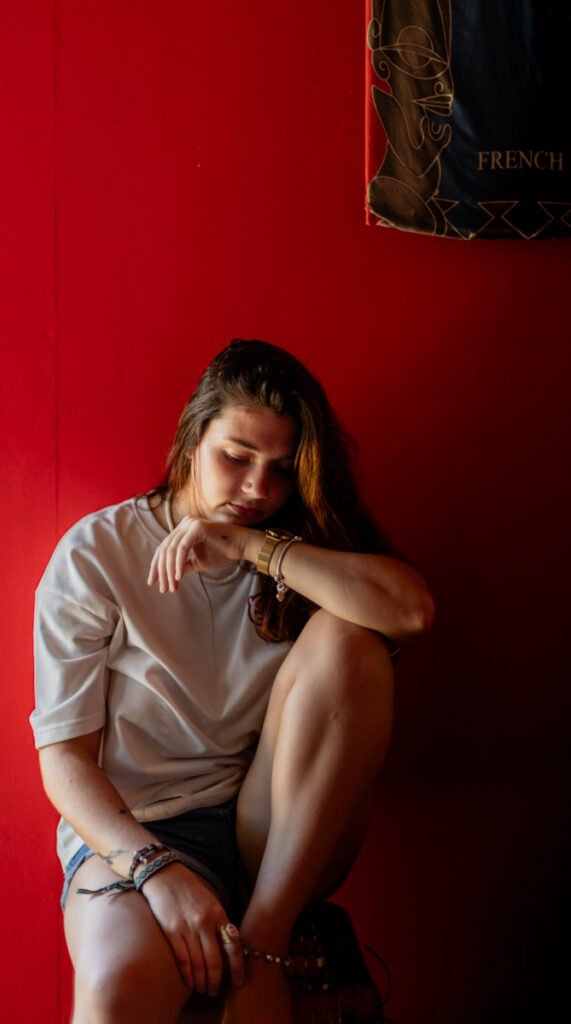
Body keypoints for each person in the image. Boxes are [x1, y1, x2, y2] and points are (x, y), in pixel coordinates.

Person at [31, 339, 434, 1024]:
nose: (257, 489)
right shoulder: (99, 552)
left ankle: (268, 939)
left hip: (273, 830)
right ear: (193, 440)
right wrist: (157, 871)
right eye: (236, 457)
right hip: (143, 829)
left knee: (352, 639)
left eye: (280, 469)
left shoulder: (290, 546)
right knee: (117, 988)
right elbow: (63, 763)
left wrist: (251, 547)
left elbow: (411, 612)